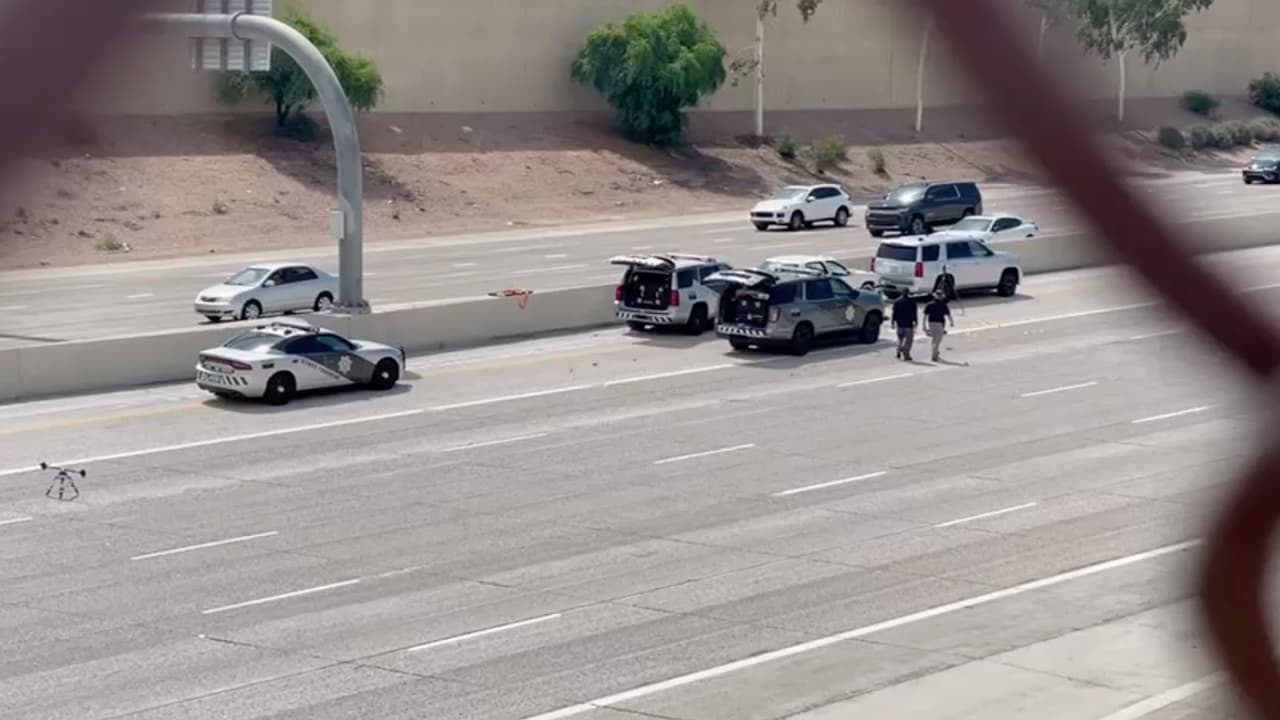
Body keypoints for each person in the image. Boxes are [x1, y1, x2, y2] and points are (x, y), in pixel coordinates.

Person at [923, 290, 953, 361]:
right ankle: (934, 354)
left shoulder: (929, 304)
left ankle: (935, 352)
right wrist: (951, 322)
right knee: (938, 340)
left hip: (931, 323)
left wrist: (924, 326)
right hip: (940, 324)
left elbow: (925, 316)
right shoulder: (943, 304)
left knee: (934, 339)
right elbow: (948, 315)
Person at [890, 289, 918, 361]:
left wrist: (892, 322)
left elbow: (894, 313)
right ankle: (906, 353)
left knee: (900, 338)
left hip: (899, 324)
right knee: (909, 340)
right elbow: (914, 313)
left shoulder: (897, 302)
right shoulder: (912, 302)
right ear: (908, 293)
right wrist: (916, 321)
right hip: (909, 324)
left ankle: (898, 351)